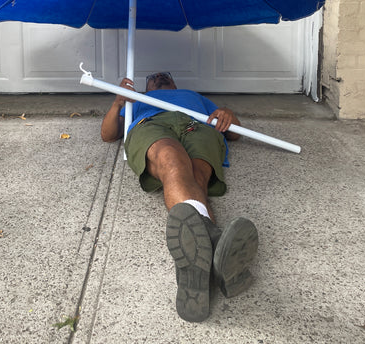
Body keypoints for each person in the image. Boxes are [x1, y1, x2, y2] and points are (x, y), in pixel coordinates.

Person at [101, 71, 258, 323]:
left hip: (196, 125)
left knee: (197, 177)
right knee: (172, 161)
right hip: (152, 124)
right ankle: (216, 244)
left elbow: (234, 132)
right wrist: (118, 101)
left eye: (165, 76)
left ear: (174, 83)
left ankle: (196, 269)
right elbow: (108, 135)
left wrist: (228, 114)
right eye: (154, 78)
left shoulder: (194, 97)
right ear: (147, 86)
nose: (159, 78)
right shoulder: (136, 98)